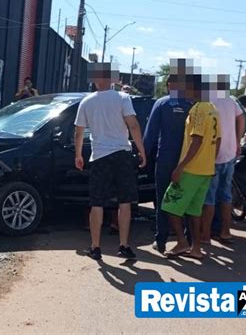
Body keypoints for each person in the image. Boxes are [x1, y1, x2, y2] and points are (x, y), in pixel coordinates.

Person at [74, 63, 146, 261]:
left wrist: (78, 155)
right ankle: (123, 245)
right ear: (113, 79)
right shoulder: (123, 98)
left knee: (96, 203)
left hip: (99, 156)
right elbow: (133, 125)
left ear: (95, 80)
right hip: (122, 154)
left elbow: (78, 131)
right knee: (125, 202)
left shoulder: (86, 102)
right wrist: (141, 150)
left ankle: (95, 247)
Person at [161, 74, 221, 259]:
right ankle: (196, 248)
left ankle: (181, 242)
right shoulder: (213, 109)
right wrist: (210, 161)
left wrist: (180, 167)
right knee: (194, 211)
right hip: (206, 170)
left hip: (192, 169)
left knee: (169, 204)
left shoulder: (197, 110)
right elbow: (218, 140)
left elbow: (196, 140)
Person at [143, 62, 194, 254]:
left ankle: (161, 239)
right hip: (188, 161)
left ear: (170, 85)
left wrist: (143, 156)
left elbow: (150, 134)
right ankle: (189, 240)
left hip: (165, 159)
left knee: (163, 199)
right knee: (186, 200)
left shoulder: (162, 103)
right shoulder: (193, 105)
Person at [201, 77, 245, 245]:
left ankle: (205, 235)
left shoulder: (207, 99)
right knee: (225, 195)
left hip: (213, 155)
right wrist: (238, 139)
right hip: (230, 153)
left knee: (209, 197)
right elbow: (241, 119)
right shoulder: (232, 100)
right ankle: (225, 231)